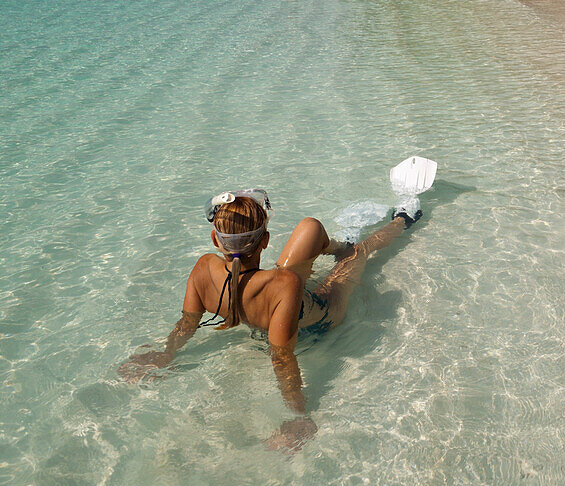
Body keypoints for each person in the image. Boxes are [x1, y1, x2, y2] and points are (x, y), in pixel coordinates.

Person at [119, 190, 421, 453]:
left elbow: (187, 324)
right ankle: (401, 221)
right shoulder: (284, 283)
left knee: (310, 229)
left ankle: (339, 247)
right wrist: (298, 415)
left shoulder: (202, 269)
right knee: (359, 253)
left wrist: (166, 353)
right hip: (321, 320)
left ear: (215, 239)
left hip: (270, 308)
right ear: (265, 241)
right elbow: (282, 357)